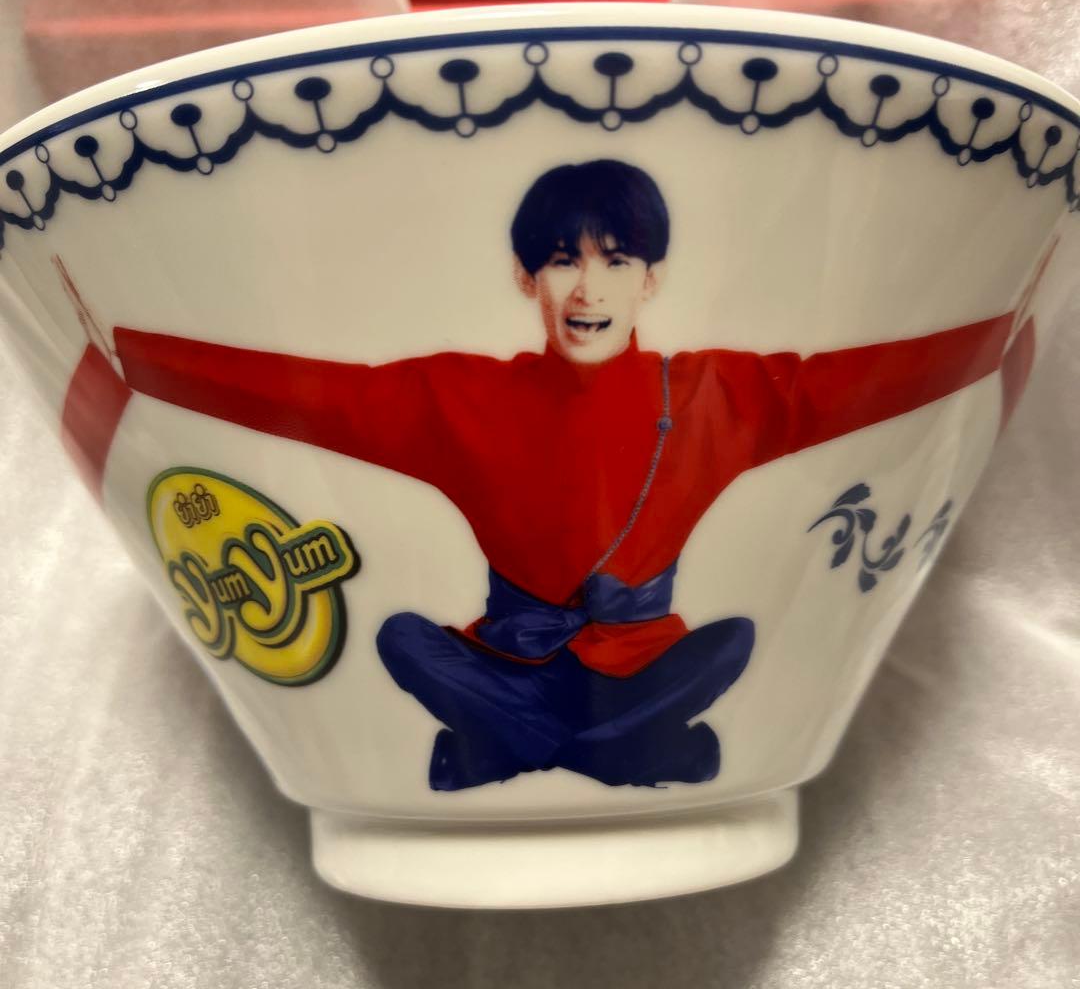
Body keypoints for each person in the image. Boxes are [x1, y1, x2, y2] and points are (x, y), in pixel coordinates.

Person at [106, 159, 1030, 791]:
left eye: (614, 262)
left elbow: (857, 382)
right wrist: (133, 353)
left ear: (649, 280)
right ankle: (610, 754)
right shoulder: (459, 397)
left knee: (735, 640)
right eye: (562, 263)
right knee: (401, 640)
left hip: (638, 666)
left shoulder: (714, 393)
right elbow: (312, 396)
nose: (587, 290)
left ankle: (517, 750)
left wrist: (1004, 323)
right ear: (527, 280)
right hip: (505, 662)